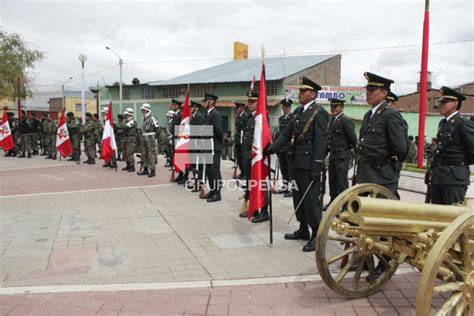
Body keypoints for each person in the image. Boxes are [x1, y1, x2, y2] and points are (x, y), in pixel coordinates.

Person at [268, 76, 329, 252]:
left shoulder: (319, 113)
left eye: (303, 91)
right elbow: (286, 134)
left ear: (313, 94)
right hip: (295, 161)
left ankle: (316, 235)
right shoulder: (297, 112)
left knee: (311, 201)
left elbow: (320, 143)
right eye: (300, 91)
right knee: (298, 198)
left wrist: (317, 167)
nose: (300, 94)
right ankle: (303, 229)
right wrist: (273, 147)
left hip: (309, 165)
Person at [357, 72, 408, 197]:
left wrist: (390, 167)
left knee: (381, 213)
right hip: (365, 173)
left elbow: (400, 148)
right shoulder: (368, 115)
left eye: (373, 90)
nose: (368, 93)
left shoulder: (390, 115)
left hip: (382, 175)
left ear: (384, 93)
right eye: (367, 89)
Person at [429, 86, 474, 205]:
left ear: (455, 103)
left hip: (454, 178)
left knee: (452, 214)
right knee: (436, 215)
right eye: (440, 102)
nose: (441, 105)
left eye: (445, 102)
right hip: (439, 176)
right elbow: (439, 150)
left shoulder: (463, 124)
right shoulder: (443, 123)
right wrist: (431, 170)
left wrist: (460, 162)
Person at [240, 91, 269, 222]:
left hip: (256, 156)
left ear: (259, 103)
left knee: (259, 182)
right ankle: (254, 207)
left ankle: (263, 210)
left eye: (253, 102)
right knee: (250, 182)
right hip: (247, 154)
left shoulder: (262, 116)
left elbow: (264, 137)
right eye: (249, 101)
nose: (250, 104)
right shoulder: (249, 117)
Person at [325, 98, 357, 209]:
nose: (333, 109)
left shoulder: (345, 120)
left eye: (336, 106)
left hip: (342, 155)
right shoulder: (332, 120)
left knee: (342, 183)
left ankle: (345, 206)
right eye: (332, 107)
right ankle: (333, 203)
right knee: (332, 182)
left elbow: (353, 139)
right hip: (333, 155)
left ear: (342, 107)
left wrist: (347, 150)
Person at [201, 93, 223, 202]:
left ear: (211, 101)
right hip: (208, 146)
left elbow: (219, 132)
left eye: (206, 101)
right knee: (209, 170)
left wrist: (216, 142)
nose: (204, 103)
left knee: (214, 170)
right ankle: (212, 190)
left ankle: (217, 193)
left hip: (214, 145)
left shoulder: (215, 114)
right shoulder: (207, 114)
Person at [275, 98, 294, 197]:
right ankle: (285, 186)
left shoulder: (293, 118)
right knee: (283, 169)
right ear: (282, 107)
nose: (286, 108)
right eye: (285, 106)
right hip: (281, 148)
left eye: (288, 106)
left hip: (289, 148)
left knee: (290, 169)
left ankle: (290, 188)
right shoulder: (281, 119)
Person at [138, 103, 159, 177]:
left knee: (151, 155)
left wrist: (155, 138)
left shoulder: (152, 118)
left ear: (147, 110)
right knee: (144, 154)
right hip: (144, 138)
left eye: (144, 110)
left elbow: (157, 128)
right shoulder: (143, 119)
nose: (142, 111)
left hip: (150, 138)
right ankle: (145, 169)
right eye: (142, 110)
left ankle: (152, 170)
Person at [170, 99, 184, 182]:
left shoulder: (180, 114)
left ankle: (182, 175)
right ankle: (180, 174)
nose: (172, 106)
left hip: (179, 139)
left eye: (174, 105)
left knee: (181, 158)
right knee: (176, 158)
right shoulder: (175, 115)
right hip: (174, 138)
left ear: (178, 106)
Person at [233, 102, 247, 179]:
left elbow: (245, 128)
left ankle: (245, 173)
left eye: (240, 107)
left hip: (243, 138)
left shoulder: (245, 116)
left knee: (243, 157)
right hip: (238, 138)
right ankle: (242, 172)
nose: (238, 109)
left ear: (242, 108)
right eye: (237, 108)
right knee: (238, 156)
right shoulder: (238, 116)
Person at [122, 108, 138, 172]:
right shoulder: (126, 121)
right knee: (125, 153)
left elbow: (126, 127)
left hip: (131, 138)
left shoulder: (132, 121)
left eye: (126, 114)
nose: (125, 115)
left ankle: (132, 166)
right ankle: (128, 164)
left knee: (129, 153)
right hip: (126, 138)